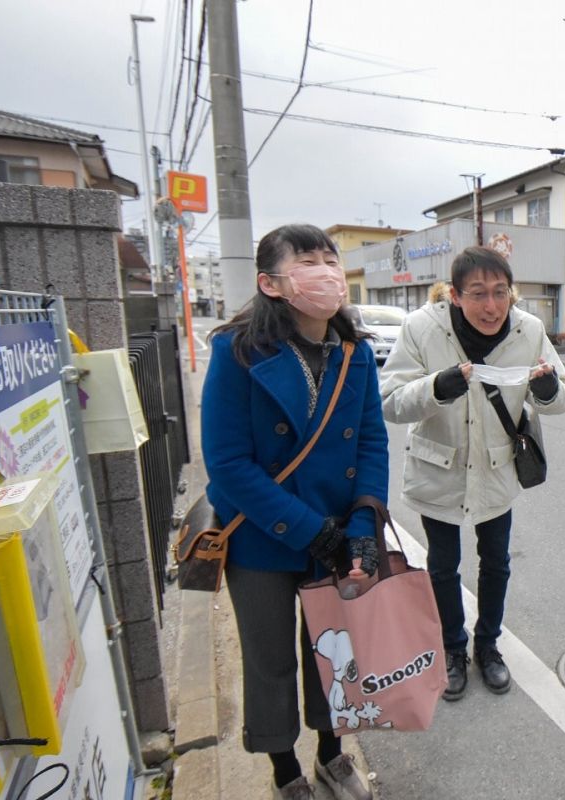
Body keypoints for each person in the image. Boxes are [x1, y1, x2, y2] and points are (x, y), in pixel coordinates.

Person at [202, 224, 389, 800]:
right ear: (272, 282)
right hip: (262, 539)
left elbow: (373, 444)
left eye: (331, 260)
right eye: (309, 261)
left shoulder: (353, 352)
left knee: (334, 654)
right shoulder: (236, 351)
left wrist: (361, 527)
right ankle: (285, 772)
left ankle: (333, 755)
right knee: (270, 660)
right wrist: (314, 533)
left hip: (337, 531)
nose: (327, 272)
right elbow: (228, 464)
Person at [380, 246, 565, 700]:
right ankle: (452, 648)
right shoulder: (422, 328)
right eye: (478, 293)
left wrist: (545, 390)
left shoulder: (529, 330)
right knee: (443, 566)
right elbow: (389, 400)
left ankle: (488, 646)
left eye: (500, 293)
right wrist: (435, 387)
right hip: (438, 467)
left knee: (497, 563)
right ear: (454, 295)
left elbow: (562, 397)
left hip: (495, 467)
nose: (491, 306)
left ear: (512, 293)